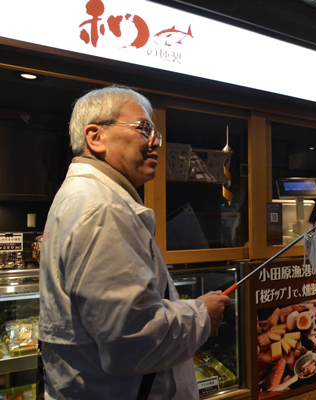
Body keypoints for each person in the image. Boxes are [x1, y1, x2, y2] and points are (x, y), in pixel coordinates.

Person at [39, 85, 231, 399]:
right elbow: (131, 339)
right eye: (143, 129)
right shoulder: (103, 209)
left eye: (156, 132)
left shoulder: (83, 196)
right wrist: (201, 315)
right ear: (95, 137)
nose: (155, 141)